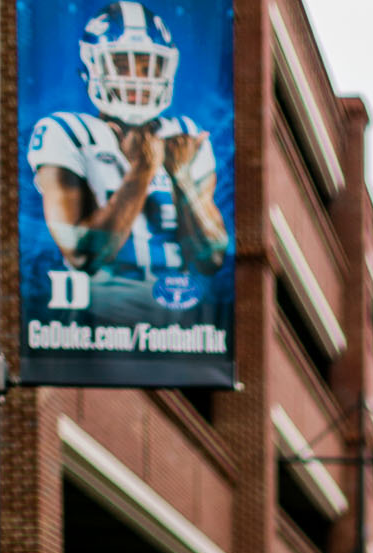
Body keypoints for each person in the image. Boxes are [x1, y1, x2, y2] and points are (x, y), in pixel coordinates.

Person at [27, 4, 227, 323]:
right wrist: (143, 170)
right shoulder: (65, 132)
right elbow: (83, 253)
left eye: (147, 65)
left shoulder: (185, 136)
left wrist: (182, 179)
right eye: (123, 64)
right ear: (92, 65)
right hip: (88, 333)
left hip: (177, 335)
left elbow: (211, 257)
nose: (137, 77)